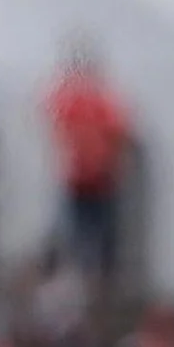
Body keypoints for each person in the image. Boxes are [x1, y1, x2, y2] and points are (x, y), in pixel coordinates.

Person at [44, 46, 133, 282]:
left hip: (89, 175)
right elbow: (120, 131)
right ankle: (91, 270)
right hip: (90, 175)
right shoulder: (101, 98)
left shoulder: (77, 97)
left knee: (87, 228)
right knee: (91, 228)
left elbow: (53, 119)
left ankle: (90, 269)